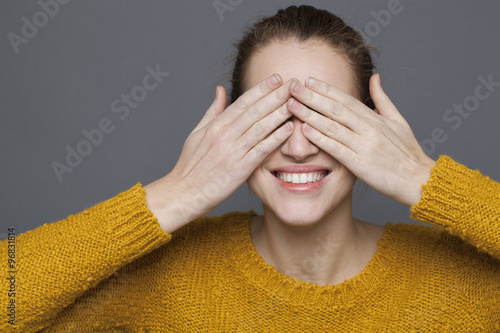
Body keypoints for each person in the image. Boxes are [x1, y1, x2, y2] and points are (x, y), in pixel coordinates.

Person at [1, 4, 499, 332]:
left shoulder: (458, 284)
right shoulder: (169, 278)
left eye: (325, 118)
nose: (299, 147)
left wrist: (422, 178)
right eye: (271, 119)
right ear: (231, 128)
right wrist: (176, 192)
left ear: (373, 131)